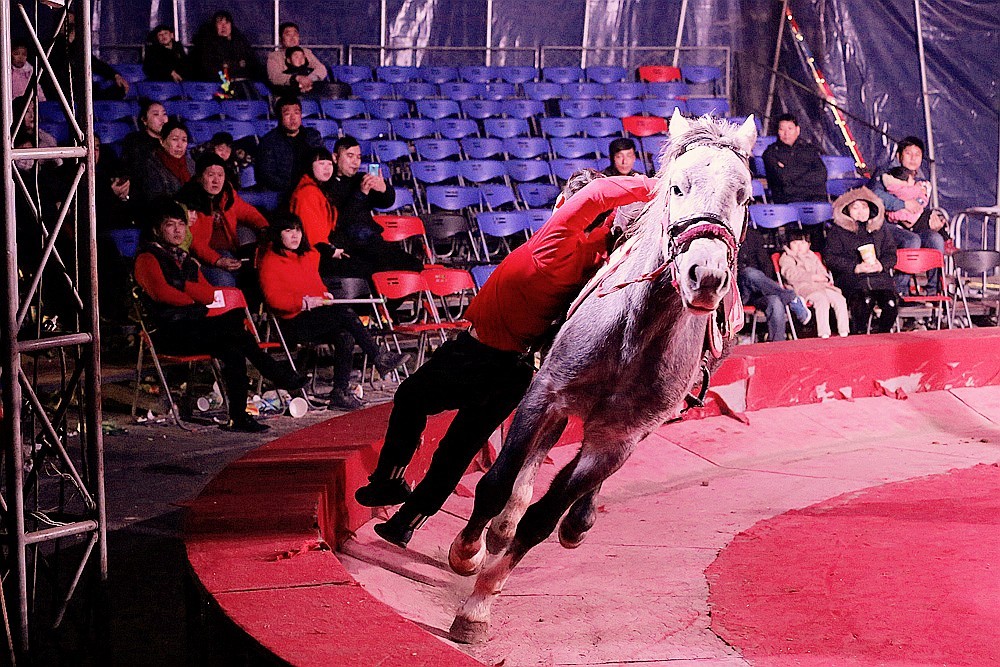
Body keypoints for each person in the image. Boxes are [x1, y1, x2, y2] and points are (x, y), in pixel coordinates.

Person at [354, 171, 659, 549]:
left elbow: (598, 192)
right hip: (514, 370)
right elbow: (607, 220)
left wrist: (661, 183)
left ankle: (390, 478)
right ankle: (405, 522)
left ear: (569, 206)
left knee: (411, 397)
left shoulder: (559, 237)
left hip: (478, 354)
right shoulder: (597, 256)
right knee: (458, 448)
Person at [134, 198, 305, 433]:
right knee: (235, 329)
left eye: (181, 225)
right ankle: (277, 375)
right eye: (170, 225)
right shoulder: (147, 258)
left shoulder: (184, 260)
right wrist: (191, 293)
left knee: (234, 344)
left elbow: (208, 295)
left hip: (195, 326)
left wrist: (184, 287)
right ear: (157, 229)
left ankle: (239, 416)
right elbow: (164, 295)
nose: (177, 230)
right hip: (169, 332)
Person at [258, 211, 409, 410]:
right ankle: (379, 356)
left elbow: (315, 285)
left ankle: (340, 392)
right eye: (288, 231)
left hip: (312, 315)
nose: (295, 236)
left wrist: (324, 294)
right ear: (278, 234)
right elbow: (274, 300)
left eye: (298, 230)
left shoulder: (308, 255)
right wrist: (304, 302)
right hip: (292, 321)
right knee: (344, 313)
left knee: (344, 333)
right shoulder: (270, 261)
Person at [326, 136, 423, 278]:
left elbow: (386, 203)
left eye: (359, 157)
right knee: (383, 272)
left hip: (372, 242)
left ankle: (387, 299)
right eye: (350, 156)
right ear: (335, 158)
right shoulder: (328, 184)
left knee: (414, 268)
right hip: (350, 246)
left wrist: (384, 188)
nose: (355, 162)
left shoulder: (361, 178)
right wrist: (362, 193)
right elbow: (342, 219)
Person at [176, 152, 269, 287]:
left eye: (220, 175)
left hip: (228, 251)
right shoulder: (188, 201)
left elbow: (247, 212)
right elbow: (195, 243)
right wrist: (218, 260)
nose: (216, 180)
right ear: (199, 177)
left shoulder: (227, 193)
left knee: (255, 271)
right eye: (210, 175)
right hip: (200, 258)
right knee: (226, 281)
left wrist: (264, 227)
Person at [870, 136, 948, 296]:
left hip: (913, 226)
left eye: (917, 154)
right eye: (908, 153)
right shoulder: (885, 174)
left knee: (936, 239)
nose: (913, 158)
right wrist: (903, 205)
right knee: (912, 240)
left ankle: (934, 290)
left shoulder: (920, 180)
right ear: (899, 155)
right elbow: (876, 196)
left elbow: (921, 206)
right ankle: (900, 291)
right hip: (885, 226)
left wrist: (934, 219)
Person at [823, 187, 898, 334]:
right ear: (846, 210)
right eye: (855, 208)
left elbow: (891, 254)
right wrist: (855, 267)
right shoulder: (837, 231)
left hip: (879, 278)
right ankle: (860, 335)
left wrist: (881, 265)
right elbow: (831, 258)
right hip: (852, 279)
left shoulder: (880, 229)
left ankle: (882, 335)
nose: (861, 211)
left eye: (864, 207)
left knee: (890, 303)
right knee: (865, 301)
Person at [738, 226, 811, 342]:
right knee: (749, 273)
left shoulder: (752, 235)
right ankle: (791, 298)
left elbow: (765, 264)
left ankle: (777, 346)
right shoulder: (725, 236)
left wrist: (766, 284)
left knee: (775, 301)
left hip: (759, 290)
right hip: (738, 292)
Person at [45, 10, 129, 101]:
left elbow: (94, 63)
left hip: (83, 90)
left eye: (72, 25)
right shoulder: (49, 47)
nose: (69, 27)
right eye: (67, 24)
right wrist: (68, 40)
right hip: (62, 92)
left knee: (118, 90)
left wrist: (115, 75)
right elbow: (60, 65)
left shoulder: (78, 47)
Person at [778, 230, 849, 338]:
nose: (799, 246)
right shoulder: (787, 257)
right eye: (795, 243)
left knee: (839, 299)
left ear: (809, 244)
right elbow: (790, 274)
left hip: (822, 286)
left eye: (802, 243)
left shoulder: (812, 256)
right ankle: (824, 332)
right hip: (803, 287)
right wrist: (812, 277)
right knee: (821, 300)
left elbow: (822, 270)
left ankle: (844, 331)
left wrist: (825, 278)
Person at [255, 96, 323, 193]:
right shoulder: (269, 141)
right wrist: (294, 188)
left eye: (296, 113)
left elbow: (322, 163)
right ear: (279, 117)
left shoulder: (313, 137)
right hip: (282, 192)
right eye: (287, 114)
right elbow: (267, 175)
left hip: (310, 189)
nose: (293, 118)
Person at [191, 10, 263, 97]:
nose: (223, 26)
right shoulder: (208, 45)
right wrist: (237, 65)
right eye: (220, 23)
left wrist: (228, 65)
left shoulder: (241, 42)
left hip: (244, 84)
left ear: (231, 25)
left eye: (227, 23)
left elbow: (251, 64)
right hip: (219, 87)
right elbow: (211, 70)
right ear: (215, 26)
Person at [762, 113, 827, 204]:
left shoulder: (809, 149)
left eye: (790, 128)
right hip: (787, 199)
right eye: (782, 129)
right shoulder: (770, 153)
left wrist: (791, 174)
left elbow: (821, 174)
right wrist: (805, 172)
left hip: (814, 197)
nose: (786, 133)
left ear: (798, 130)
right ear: (777, 131)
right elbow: (783, 178)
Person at [135, 119, 194, 204]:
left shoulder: (191, 164)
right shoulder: (151, 166)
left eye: (184, 140)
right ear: (162, 141)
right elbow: (156, 201)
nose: (180, 146)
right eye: (175, 139)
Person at [266, 22, 328, 95]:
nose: (292, 38)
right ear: (280, 39)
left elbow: (321, 69)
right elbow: (275, 77)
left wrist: (308, 80)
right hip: (285, 94)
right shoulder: (274, 56)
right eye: (288, 35)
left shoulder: (306, 52)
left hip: (309, 91)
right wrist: (297, 78)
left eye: (295, 35)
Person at [121, 100, 169, 177]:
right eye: (156, 114)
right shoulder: (134, 140)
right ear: (144, 120)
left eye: (164, 114)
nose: (162, 119)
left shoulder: (172, 139)